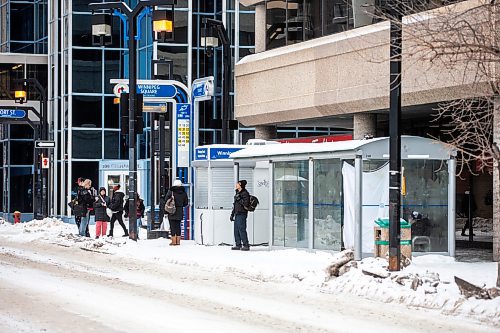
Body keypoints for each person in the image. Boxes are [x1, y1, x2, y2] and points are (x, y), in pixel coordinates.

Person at [165, 179, 189, 246]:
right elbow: (186, 203)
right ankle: (178, 241)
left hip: (171, 210)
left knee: (172, 226)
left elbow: (166, 200)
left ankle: (173, 241)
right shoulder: (184, 193)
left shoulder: (171, 192)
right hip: (179, 210)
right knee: (178, 226)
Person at [230, 180, 251, 251]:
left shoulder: (245, 193)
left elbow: (246, 204)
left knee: (242, 229)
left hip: (242, 214)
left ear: (241, 185)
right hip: (237, 213)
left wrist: (239, 199)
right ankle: (238, 244)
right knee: (236, 230)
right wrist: (232, 214)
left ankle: (246, 245)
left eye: (238, 184)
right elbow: (235, 205)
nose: (236, 184)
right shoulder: (237, 193)